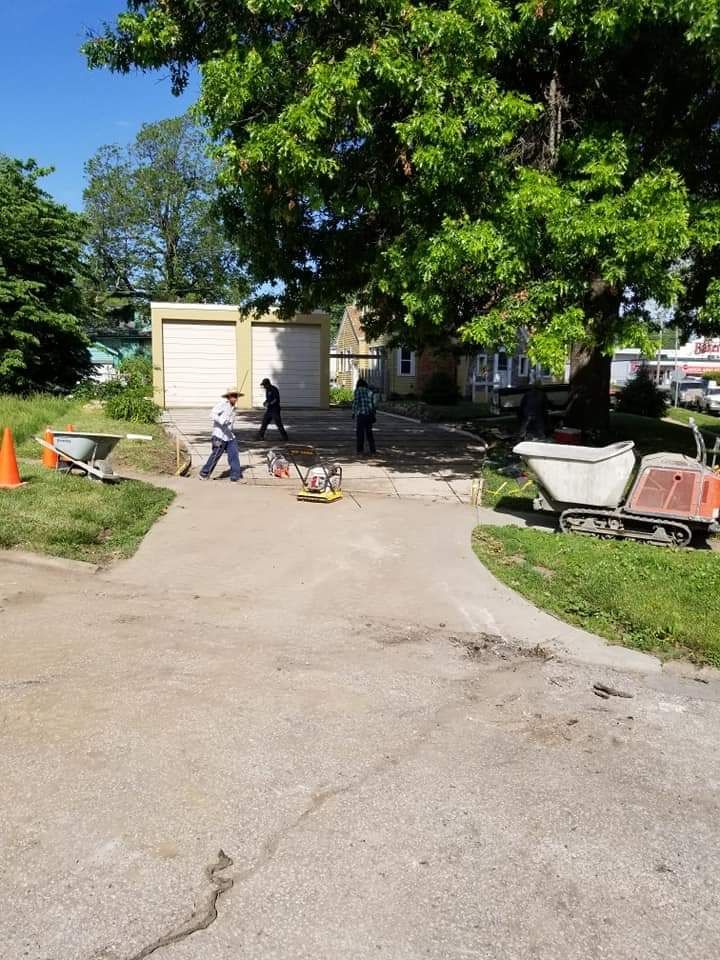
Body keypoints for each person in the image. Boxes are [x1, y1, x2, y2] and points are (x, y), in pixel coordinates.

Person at [199, 387, 242, 482]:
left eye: (236, 396)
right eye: (233, 396)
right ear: (228, 397)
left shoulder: (234, 408)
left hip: (230, 436)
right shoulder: (222, 404)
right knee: (216, 455)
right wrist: (222, 421)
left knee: (234, 454)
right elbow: (212, 414)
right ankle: (204, 473)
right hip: (219, 436)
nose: (235, 398)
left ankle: (235, 475)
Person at [352, 377, 377, 455]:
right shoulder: (370, 391)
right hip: (369, 414)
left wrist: (353, 413)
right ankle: (373, 450)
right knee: (369, 433)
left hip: (361, 415)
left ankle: (360, 450)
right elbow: (373, 404)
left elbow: (356, 403)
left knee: (360, 433)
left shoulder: (357, 391)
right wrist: (374, 413)